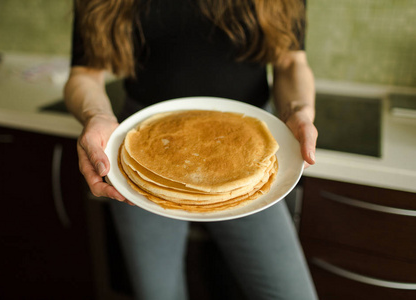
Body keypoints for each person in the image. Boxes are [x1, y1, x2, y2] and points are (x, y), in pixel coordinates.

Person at [64, 0, 319, 299]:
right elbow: (84, 74)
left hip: (250, 149)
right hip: (142, 150)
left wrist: (300, 109)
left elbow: (291, 62)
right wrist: (96, 114)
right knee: (157, 293)